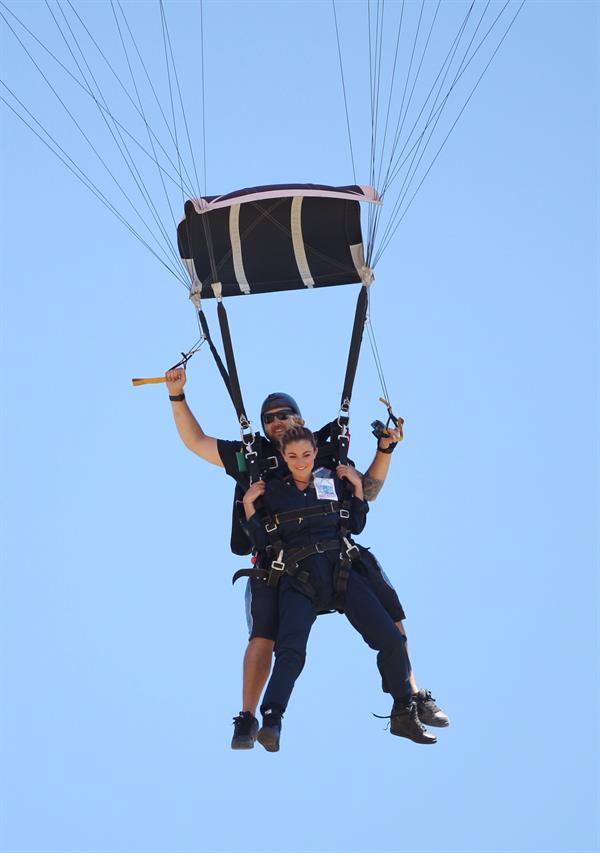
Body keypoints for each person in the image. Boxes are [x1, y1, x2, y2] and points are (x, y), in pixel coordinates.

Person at [164, 370, 449, 747]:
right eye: (269, 418)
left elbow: (369, 490)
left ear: (300, 421)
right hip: (281, 564)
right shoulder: (252, 458)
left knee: (391, 615)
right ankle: (251, 718)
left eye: (285, 414)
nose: (277, 421)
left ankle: (410, 697)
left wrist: (384, 451)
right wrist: (177, 396)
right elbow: (195, 441)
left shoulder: (324, 455)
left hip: (336, 557)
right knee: (269, 638)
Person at [241, 426, 436, 751]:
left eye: (306, 454)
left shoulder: (331, 480)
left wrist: (357, 487)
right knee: (290, 653)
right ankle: (272, 720)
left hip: (340, 571)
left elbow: (356, 524)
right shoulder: (272, 492)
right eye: (292, 457)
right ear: (283, 458)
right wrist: (249, 506)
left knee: (391, 638)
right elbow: (261, 541)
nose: (300, 462)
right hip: (298, 578)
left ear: (315, 452)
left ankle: (404, 710)